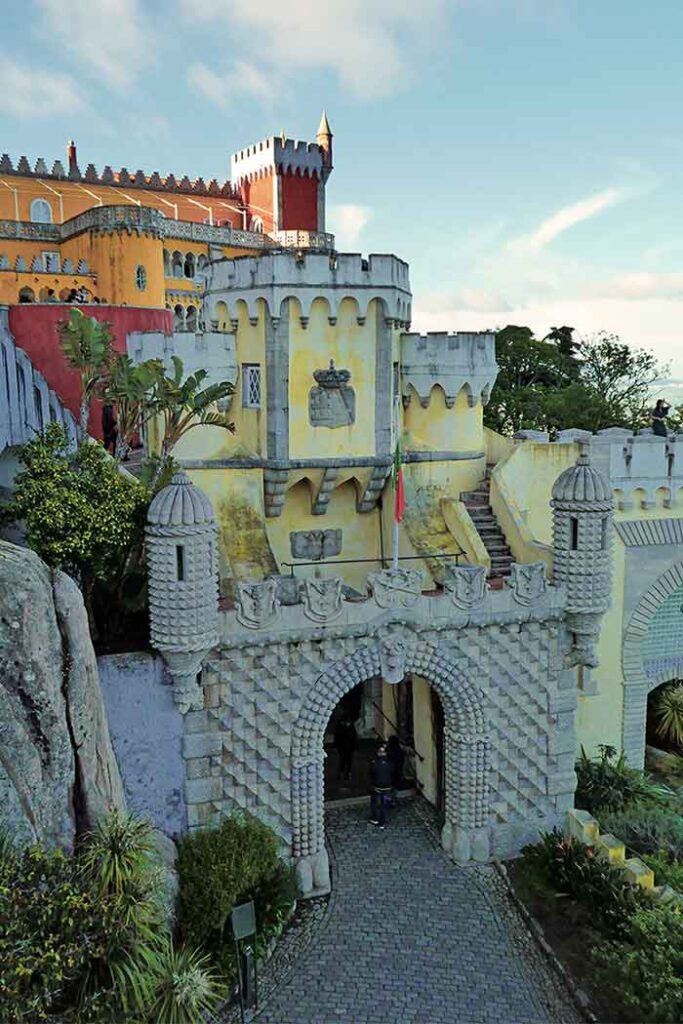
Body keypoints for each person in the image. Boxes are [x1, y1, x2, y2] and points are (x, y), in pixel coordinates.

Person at [369, 744, 393, 829]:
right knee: (384, 804)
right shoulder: (390, 763)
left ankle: (374, 818)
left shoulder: (374, 763)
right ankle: (382, 823)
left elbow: (371, 775)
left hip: (377, 787)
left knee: (374, 802)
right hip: (387, 788)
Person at [334, 715, 357, 781]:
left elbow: (354, 737)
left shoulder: (342, 728)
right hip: (344, 748)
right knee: (344, 761)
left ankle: (345, 773)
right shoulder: (343, 728)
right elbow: (337, 738)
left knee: (347, 761)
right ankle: (344, 773)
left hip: (347, 748)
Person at [386, 734, 405, 806]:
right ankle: (393, 800)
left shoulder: (387, 749)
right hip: (396, 771)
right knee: (395, 787)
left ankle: (387, 800)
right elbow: (401, 760)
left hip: (388, 771)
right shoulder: (399, 750)